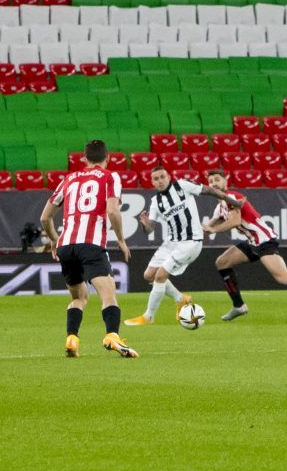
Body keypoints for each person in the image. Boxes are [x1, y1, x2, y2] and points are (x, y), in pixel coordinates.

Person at [41, 140, 138, 359]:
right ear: (108, 157)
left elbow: (45, 217)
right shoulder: (110, 176)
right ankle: (112, 335)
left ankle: (72, 339)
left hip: (66, 246)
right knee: (108, 294)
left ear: (84, 158)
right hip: (91, 244)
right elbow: (113, 211)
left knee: (79, 297)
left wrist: (54, 240)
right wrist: (121, 240)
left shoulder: (69, 179)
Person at [207, 169, 287, 323]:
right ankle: (238, 306)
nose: (214, 184)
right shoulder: (219, 208)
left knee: (283, 278)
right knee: (221, 262)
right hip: (252, 241)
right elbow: (207, 227)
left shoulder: (233, 197)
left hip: (264, 240)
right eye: (211, 181)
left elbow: (235, 221)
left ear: (226, 180)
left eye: (217, 180)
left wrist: (212, 229)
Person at [125, 164, 240, 327]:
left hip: (191, 241)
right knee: (149, 275)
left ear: (169, 177)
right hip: (171, 242)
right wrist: (145, 223)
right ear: (152, 182)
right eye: (156, 179)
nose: (160, 181)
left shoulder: (182, 186)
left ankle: (148, 316)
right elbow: (150, 229)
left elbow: (209, 190)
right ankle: (181, 299)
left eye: (162, 177)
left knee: (160, 275)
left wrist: (232, 200)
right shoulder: (155, 202)